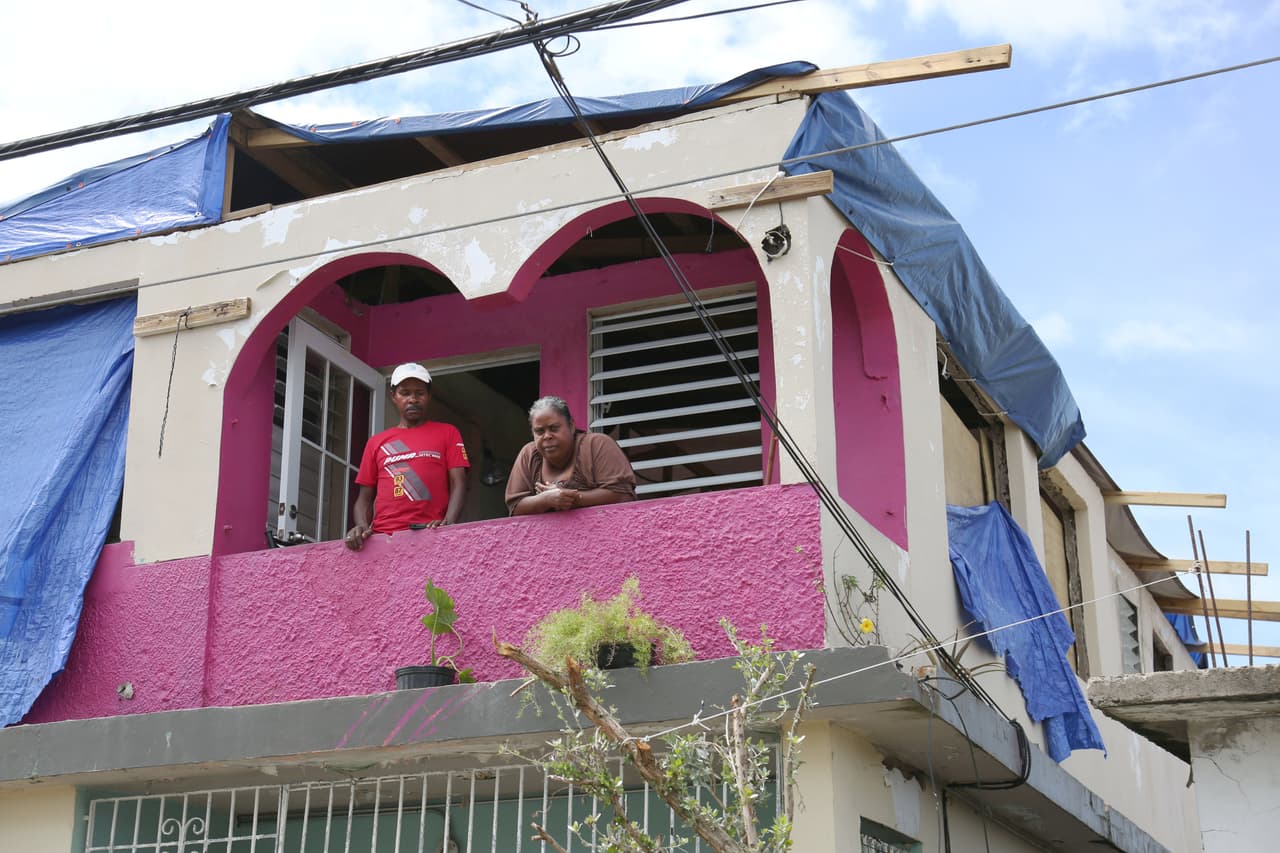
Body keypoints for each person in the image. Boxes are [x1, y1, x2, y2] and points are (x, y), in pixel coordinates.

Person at [346, 363, 469, 550]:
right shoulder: (376, 442)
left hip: (430, 533)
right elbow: (365, 498)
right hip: (383, 538)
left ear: (429, 396)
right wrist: (362, 526)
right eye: (405, 393)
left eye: (419, 393)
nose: (413, 399)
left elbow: (458, 483)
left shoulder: (448, 433)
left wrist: (449, 523)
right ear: (393, 396)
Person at [506, 396, 635, 515]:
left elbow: (622, 495)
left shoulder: (596, 445)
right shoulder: (529, 454)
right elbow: (515, 507)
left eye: (554, 428)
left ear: (571, 426)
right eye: (540, 431)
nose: (547, 436)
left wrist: (573, 499)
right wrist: (545, 500)